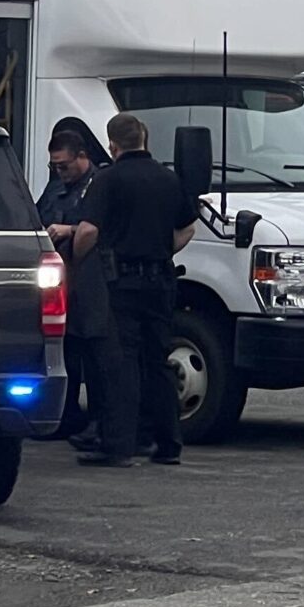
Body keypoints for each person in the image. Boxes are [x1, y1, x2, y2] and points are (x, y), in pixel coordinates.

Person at [73, 112, 197, 466]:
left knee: (121, 362)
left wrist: (78, 260)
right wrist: (163, 248)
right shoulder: (168, 179)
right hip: (161, 280)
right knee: (158, 361)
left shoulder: (109, 180)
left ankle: (119, 445)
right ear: (143, 138)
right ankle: (169, 444)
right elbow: (188, 227)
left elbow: (87, 231)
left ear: (113, 144)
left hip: (123, 282)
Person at [34, 118, 111, 442]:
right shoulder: (57, 185)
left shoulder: (101, 184)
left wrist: (71, 230)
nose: (60, 172)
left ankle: (98, 420)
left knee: (94, 355)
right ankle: (64, 415)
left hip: (92, 282)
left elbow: (108, 230)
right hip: (59, 282)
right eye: (55, 167)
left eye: (64, 166)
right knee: (65, 352)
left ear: (82, 157)